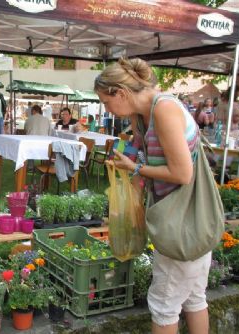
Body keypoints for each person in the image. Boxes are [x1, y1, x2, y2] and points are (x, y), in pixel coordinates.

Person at [94, 58, 210, 334]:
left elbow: (183, 174)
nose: (107, 109)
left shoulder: (164, 110)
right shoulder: (144, 113)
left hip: (181, 221)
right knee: (194, 297)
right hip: (184, 217)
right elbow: (139, 148)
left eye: (107, 102)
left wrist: (135, 168)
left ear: (121, 93)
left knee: (164, 304)